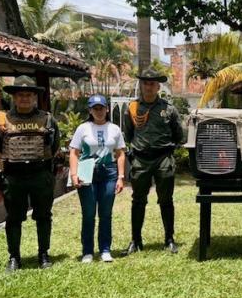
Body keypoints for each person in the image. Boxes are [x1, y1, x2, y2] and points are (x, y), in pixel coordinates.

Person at [0, 75, 60, 272]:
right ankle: (14, 257)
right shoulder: (4, 120)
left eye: (28, 95)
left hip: (40, 174)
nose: (24, 98)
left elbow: (54, 145)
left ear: (34, 97)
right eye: (20, 95)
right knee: (14, 218)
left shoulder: (47, 119)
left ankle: (43, 254)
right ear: (14, 97)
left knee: (43, 216)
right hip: (14, 176)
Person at [122, 68, 183, 255]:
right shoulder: (132, 108)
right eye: (145, 83)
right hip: (140, 159)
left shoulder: (168, 109)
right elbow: (129, 134)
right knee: (138, 201)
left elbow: (178, 135)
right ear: (141, 85)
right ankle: (136, 240)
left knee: (166, 200)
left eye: (152, 83)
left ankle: (169, 239)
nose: (148, 86)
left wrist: (167, 151)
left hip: (163, 158)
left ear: (158, 86)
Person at [69, 94, 126, 263]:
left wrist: (121, 177)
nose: (99, 111)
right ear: (90, 110)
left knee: (106, 213)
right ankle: (87, 251)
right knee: (88, 213)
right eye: (95, 108)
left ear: (107, 109)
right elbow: (74, 152)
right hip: (87, 171)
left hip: (109, 172)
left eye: (102, 108)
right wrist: (74, 174)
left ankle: (105, 249)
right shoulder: (83, 128)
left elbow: (121, 153)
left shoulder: (114, 129)